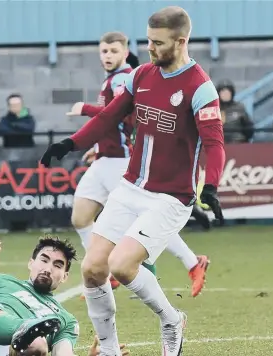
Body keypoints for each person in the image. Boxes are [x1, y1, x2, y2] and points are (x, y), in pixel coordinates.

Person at [41, 6, 225, 356]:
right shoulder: (141, 75)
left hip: (171, 198)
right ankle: (109, 350)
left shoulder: (200, 88)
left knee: (122, 265)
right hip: (130, 187)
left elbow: (215, 144)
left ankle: (172, 319)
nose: (150, 48)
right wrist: (70, 143)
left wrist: (211, 185)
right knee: (93, 269)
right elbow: (109, 116)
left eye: (158, 42)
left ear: (181, 41)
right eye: (148, 41)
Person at [66, 31, 210, 298]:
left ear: (125, 52)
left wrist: (84, 108)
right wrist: (97, 148)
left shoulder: (125, 77)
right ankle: (102, 272)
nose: (107, 56)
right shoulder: (114, 78)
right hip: (104, 160)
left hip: (122, 162)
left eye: (113, 51)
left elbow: (116, 114)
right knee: (80, 217)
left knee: (147, 222)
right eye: (103, 51)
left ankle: (190, 263)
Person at [0, 236, 129, 356]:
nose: (48, 268)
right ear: (31, 263)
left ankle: (23, 335)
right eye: (44, 260)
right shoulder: (2, 281)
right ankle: (20, 328)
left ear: (65, 276)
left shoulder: (65, 321)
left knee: (38, 346)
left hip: (7, 351)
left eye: (57, 265)